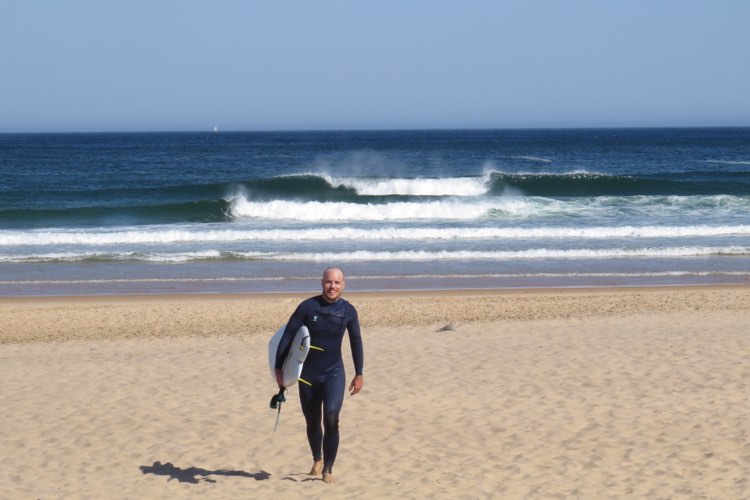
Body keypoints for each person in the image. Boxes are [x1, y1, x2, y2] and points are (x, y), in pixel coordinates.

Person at [274, 267, 364, 484]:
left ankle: (328, 469)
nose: (332, 286)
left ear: (343, 285)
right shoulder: (307, 307)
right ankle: (317, 458)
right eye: (328, 282)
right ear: (322, 283)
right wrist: (279, 368)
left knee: (331, 417)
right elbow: (287, 336)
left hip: (334, 372)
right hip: (308, 375)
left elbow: (355, 341)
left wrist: (359, 373)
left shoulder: (348, 311)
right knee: (312, 421)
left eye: (336, 283)